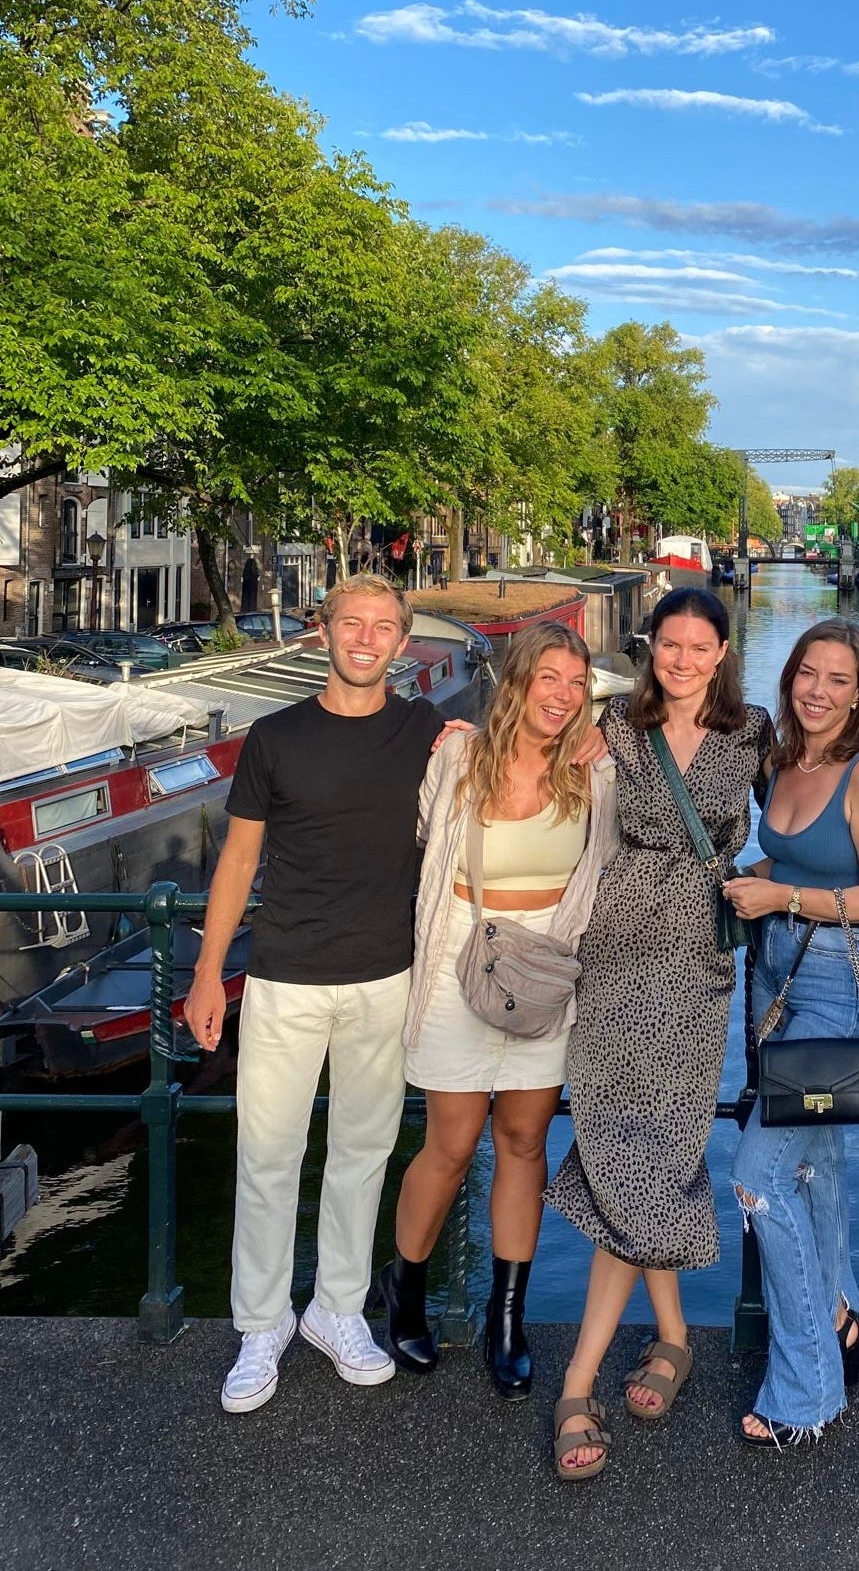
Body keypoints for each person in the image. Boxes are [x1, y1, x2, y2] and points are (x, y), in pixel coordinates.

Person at [183, 574, 443, 1414]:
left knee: (362, 1154)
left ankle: (336, 1309)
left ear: (402, 642)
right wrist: (207, 974)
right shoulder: (274, 737)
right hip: (286, 976)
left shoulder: (427, 730)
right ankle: (262, 1323)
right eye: (350, 623)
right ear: (322, 633)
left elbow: (516, 754)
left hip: (386, 976)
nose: (366, 639)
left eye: (382, 627)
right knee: (267, 1157)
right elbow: (239, 860)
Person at [544, 588, 772, 1482]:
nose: (682, 660)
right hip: (613, 956)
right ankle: (673, 1336)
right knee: (617, 1146)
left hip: (693, 966)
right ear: (652, 648)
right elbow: (529, 757)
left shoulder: (753, 733)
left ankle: (578, 1381)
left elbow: (804, 813)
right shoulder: (614, 727)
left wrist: (767, 884)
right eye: (669, 644)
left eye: (699, 646)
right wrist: (456, 740)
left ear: (722, 653)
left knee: (660, 1153)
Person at [377, 622, 617, 1395]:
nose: (563, 696)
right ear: (516, 680)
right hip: (460, 960)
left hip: (544, 973)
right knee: (450, 1145)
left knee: (522, 1142)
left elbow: (613, 856)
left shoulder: (594, 771)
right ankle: (404, 1290)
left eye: (577, 683)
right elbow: (421, 837)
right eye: (549, 678)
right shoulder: (458, 757)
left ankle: (506, 1317)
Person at [722, 619, 859, 1447]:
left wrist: (781, 899)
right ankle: (842, 1319)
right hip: (776, 971)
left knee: (758, 1176)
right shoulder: (783, 762)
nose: (819, 691)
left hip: (840, 975)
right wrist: (752, 879)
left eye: (838, 679)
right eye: (808, 673)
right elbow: (791, 858)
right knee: (815, 1163)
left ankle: (806, 1389)